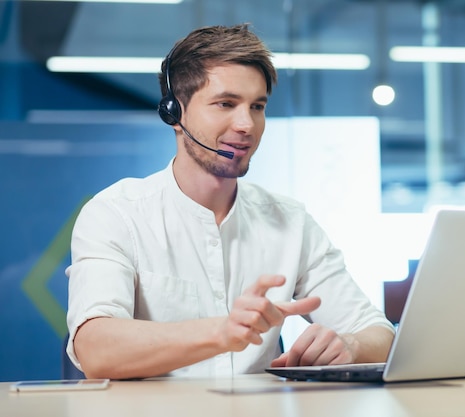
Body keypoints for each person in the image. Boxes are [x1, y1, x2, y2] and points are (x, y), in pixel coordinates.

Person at [65, 23, 395, 380]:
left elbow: (380, 334)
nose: (246, 125)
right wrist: (221, 332)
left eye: (257, 106)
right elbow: (95, 348)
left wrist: (351, 346)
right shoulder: (116, 213)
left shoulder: (290, 221)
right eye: (226, 103)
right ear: (175, 113)